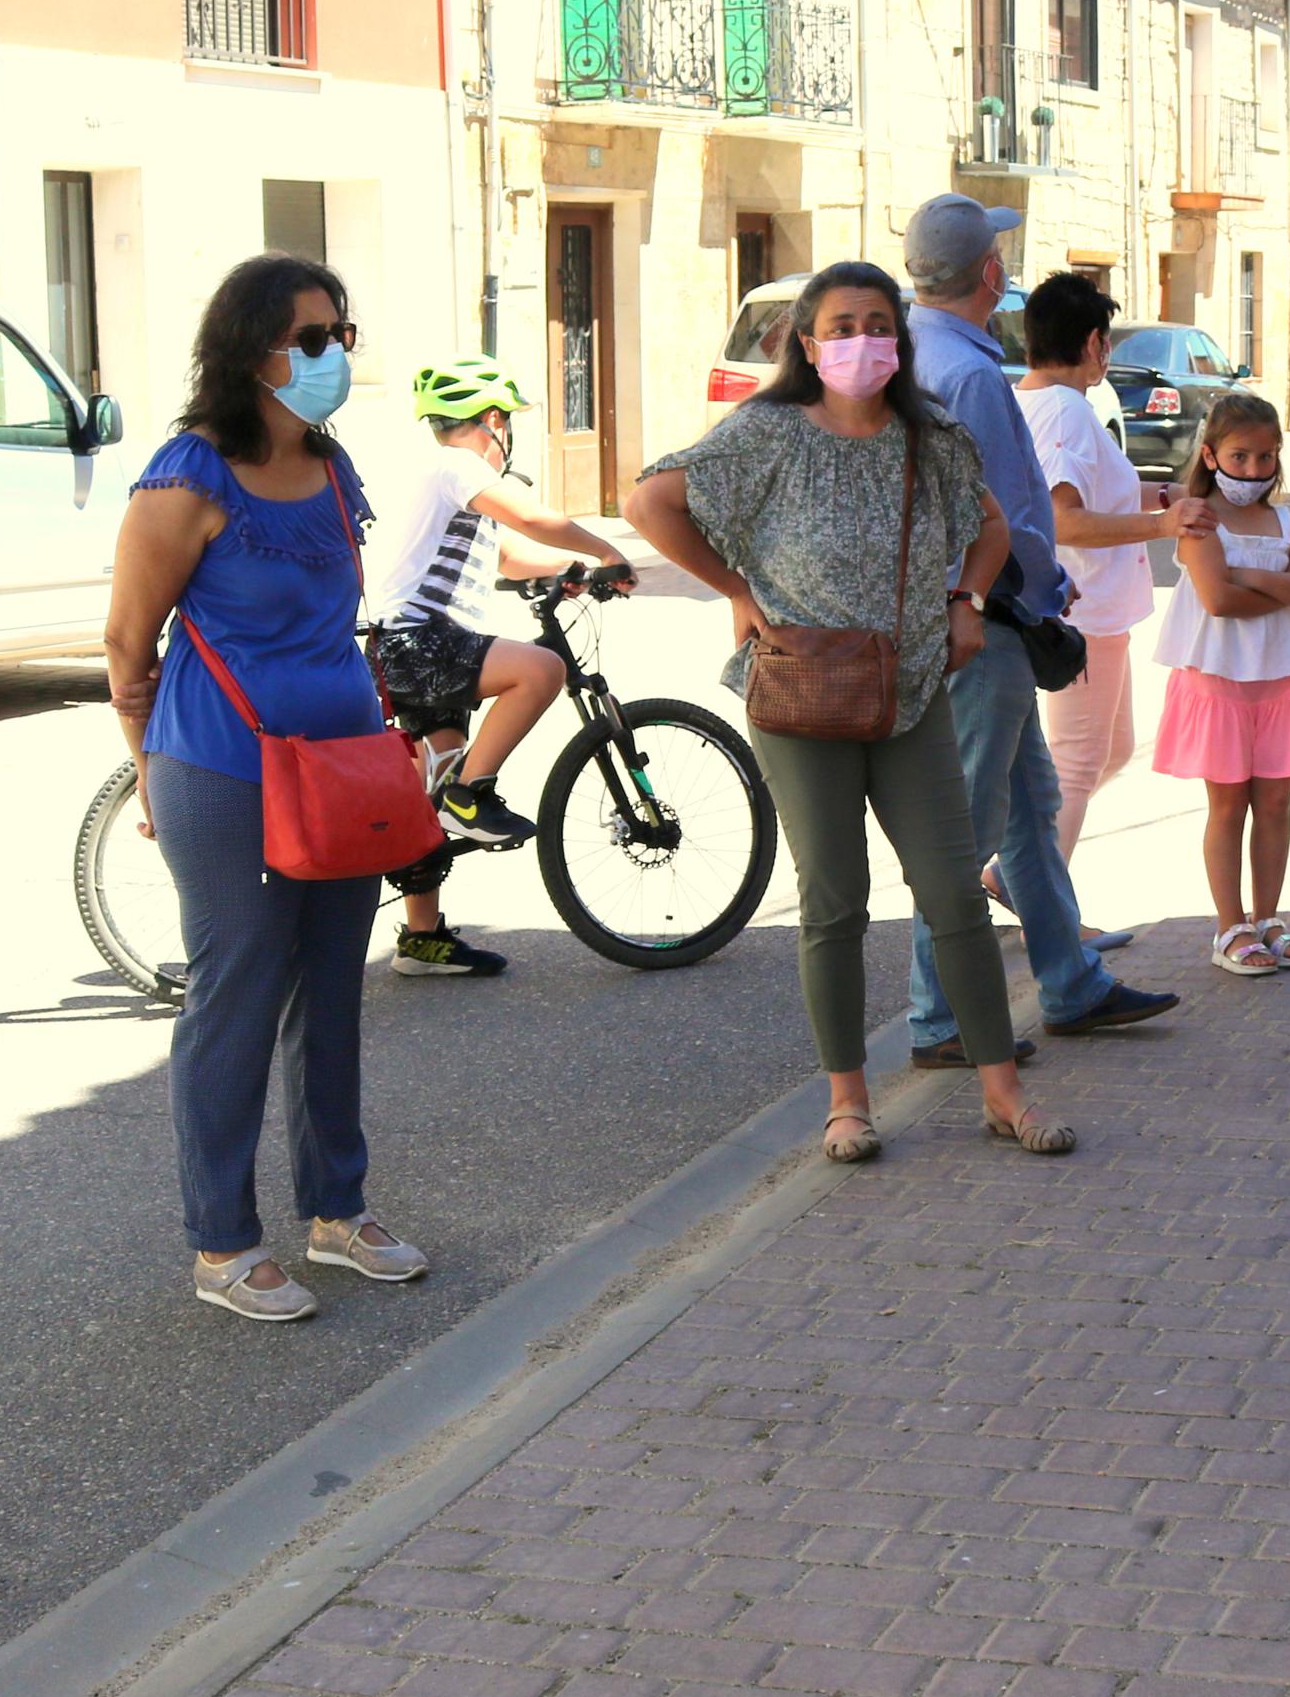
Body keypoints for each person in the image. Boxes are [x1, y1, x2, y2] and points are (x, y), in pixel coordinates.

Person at [628, 262, 1074, 1163]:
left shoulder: (930, 435)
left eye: (877, 323)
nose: (860, 340)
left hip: (911, 694)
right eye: (840, 325)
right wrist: (736, 588)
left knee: (953, 891)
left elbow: (989, 528)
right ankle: (846, 1103)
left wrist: (967, 603)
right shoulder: (765, 434)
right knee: (833, 902)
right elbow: (650, 499)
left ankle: (1002, 1092)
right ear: (806, 342)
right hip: (799, 695)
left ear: (899, 340)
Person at [104, 253, 430, 1321]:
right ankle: (222, 1243)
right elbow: (126, 643)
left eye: (342, 333)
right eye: (315, 337)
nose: (335, 354)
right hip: (223, 764)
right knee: (237, 990)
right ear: (254, 350)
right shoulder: (185, 478)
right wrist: (151, 767)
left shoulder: (335, 471)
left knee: (333, 985)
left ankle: (336, 1210)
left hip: (339, 768)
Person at [891, 195, 1177, 1059]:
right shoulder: (972, 373)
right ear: (989, 273)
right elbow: (997, 509)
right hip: (992, 619)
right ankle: (938, 1018)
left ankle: (1071, 983)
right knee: (972, 823)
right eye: (1000, 255)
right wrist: (1027, 593)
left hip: (985, 614)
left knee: (1028, 807)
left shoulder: (931, 349)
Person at [364, 354, 628, 980]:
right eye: (506, 422)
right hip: (420, 641)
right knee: (540, 670)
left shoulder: (455, 486)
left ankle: (422, 941)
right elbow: (533, 518)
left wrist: (572, 572)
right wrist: (606, 548)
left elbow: (508, 553)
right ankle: (469, 796)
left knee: (423, 799)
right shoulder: (457, 466)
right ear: (492, 420)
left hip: (424, 644)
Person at [1151, 392, 1290, 978]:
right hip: (1218, 681)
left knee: (1276, 801)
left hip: (1276, 681)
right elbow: (1218, 601)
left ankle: (1268, 916)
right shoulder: (1200, 520)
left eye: (1266, 457)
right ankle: (1230, 926)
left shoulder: (1285, 520)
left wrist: (1251, 573)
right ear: (1209, 455)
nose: (1254, 470)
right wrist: (1281, 583)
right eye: (1240, 456)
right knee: (1228, 805)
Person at [1012, 272, 1167, 942]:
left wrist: (1161, 500)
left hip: (1090, 611)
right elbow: (1064, 518)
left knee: (1111, 749)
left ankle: (1016, 875)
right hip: (1079, 610)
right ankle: (1049, 912)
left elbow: (1088, 497)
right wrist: (1161, 527)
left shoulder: (1034, 400)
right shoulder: (1069, 410)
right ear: (1094, 343)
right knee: (1078, 761)